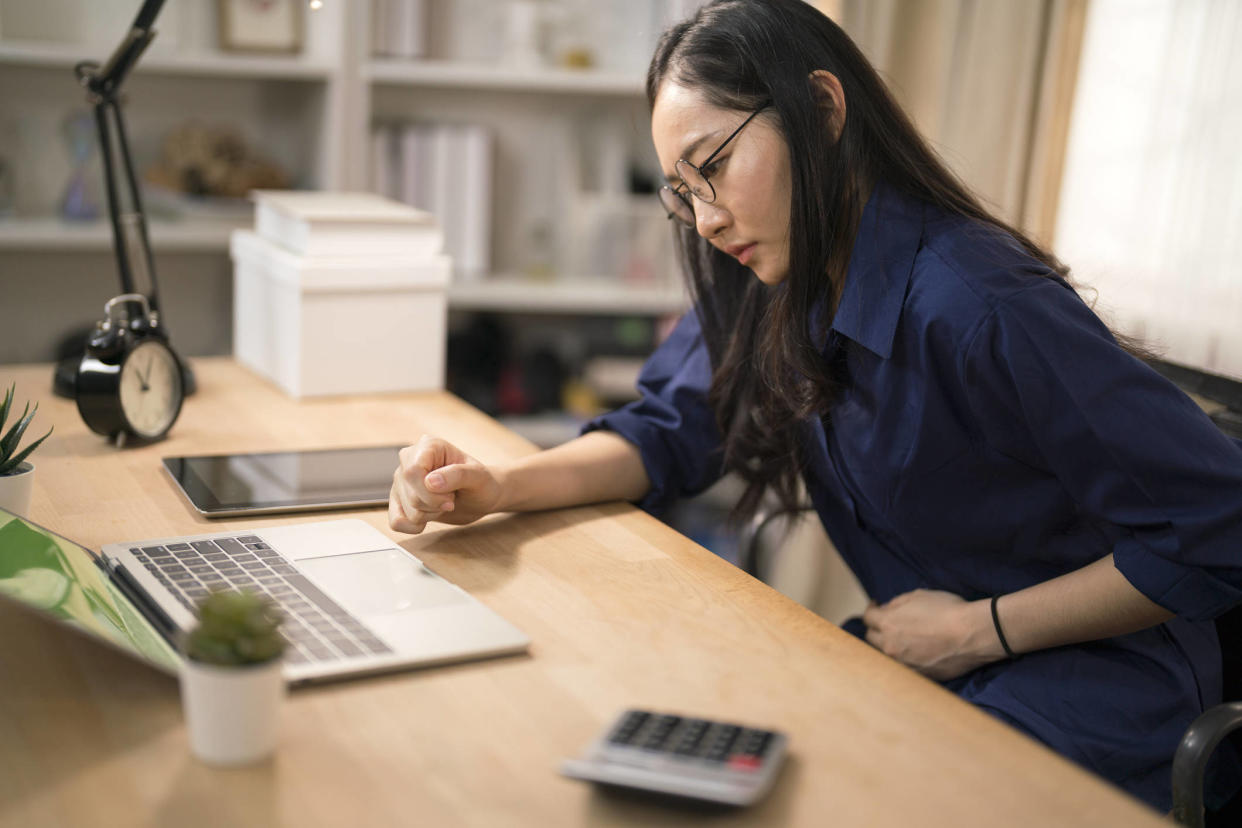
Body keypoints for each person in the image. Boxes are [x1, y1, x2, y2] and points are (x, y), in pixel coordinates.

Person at [389, 0, 1242, 812]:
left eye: (714, 166)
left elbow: (1217, 521)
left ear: (821, 107)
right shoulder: (775, 270)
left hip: (1097, 697)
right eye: (681, 191)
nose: (705, 218)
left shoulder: (978, 303)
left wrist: (978, 632)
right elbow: (669, 430)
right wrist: (499, 485)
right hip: (938, 662)